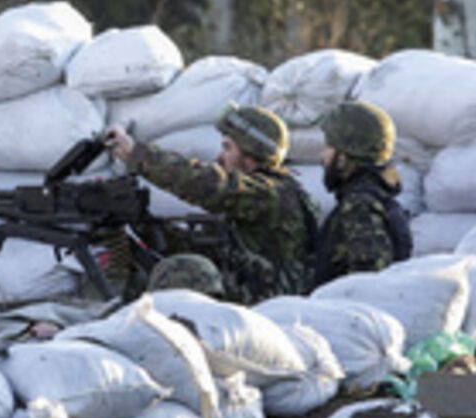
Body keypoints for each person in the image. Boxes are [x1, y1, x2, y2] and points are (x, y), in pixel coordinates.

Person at [104, 105, 318, 303]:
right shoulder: (258, 198)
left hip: (269, 301)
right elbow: (210, 251)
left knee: (183, 275)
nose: (219, 157)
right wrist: (143, 224)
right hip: (257, 290)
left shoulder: (269, 194)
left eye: (228, 148)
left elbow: (207, 184)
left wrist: (137, 155)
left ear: (251, 156)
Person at [315, 100, 412, 286]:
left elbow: (367, 283)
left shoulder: (360, 204)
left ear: (344, 156)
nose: (323, 157)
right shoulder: (377, 197)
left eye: (329, 147)